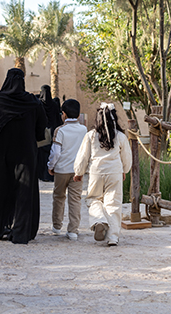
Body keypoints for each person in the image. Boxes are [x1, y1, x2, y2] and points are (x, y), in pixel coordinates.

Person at [0, 68, 47, 244]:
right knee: (25, 191)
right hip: (26, 153)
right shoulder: (33, 103)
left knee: (2, 189)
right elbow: (41, 128)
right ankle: (22, 232)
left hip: (3, 154)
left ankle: (2, 227)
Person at [73, 103, 132, 246]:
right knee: (113, 204)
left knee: (93, 199)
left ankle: (99, 220)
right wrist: (125, 170)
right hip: (115, 172)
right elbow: (127, 158)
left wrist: (78, 172)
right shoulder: (120, 136)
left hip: (96, 173)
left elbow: (83, 156)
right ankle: (113, 237)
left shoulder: (91, 136)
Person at [47, 99, 88, 240]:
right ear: (78, 115)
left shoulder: (60, 130)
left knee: (59, 197)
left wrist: (50, 167)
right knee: (75, 199)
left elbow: (56, 152)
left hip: (61, 170)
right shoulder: (84, 130)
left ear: (63, 114)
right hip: (78, 171)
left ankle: (57, 226)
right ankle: (73, 230)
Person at [37, 85, 62, 182]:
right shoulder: (54, 104)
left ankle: (42, 175)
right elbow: (57, 118)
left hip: (43, 132)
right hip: (54, 131)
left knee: (42, 155)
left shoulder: (39, 104)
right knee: (52, 153)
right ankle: (50, 175)